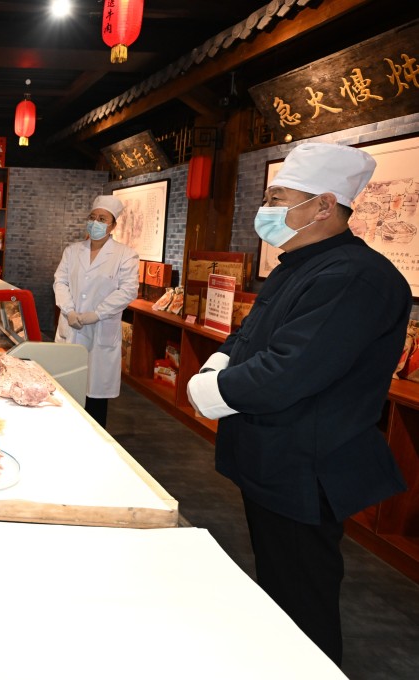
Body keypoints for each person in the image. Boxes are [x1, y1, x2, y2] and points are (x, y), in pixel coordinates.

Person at [187, 142, 410, 665]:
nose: (265, 209)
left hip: (306, 465)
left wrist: (210, 392)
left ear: (324, 205)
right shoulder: (299, 264)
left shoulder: (355, 276)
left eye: (277, 198)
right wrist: (215, 366)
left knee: (301, 598)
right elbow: (248, 338)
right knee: (276, 585)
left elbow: (287, 371)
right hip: (273, 458)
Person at [52, 195, 139, 428]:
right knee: (66, 392)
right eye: (92, 217)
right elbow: (60, 282)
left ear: (113, 225)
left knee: (95, 399)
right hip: (71, 327)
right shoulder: (72, 251)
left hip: (101, 329)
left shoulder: (125, 255)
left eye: (102, 219)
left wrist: (97, 314)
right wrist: (69, 310)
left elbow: (128, 291)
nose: (95, 223)